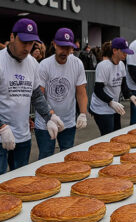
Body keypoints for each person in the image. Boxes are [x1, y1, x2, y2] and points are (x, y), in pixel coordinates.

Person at [0, 18, 63, 175]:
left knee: (20, 181)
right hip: (1, 135)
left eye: (31, 43)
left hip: (23, 137)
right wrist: (1, 126)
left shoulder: (33, 63)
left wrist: (49, 116)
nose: (27, 48)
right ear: (12, 37)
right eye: (23, 42)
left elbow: (36, 95)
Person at [34, 28, 88, 159]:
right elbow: (39, 96)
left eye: (68, 48)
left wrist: (82, 113)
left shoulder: (77, 63)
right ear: (54, 44)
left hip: (68, 122)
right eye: (62, 47)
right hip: (46, 122)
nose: (65, 51)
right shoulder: (45, 65)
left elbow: (81, 92)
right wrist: (49, 118)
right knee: (46, 158)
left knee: (67, 158)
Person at [90, 37, 136, 135]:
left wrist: (131, 96)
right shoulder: (103, 66)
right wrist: (110, 102)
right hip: (102, 108)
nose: (125, 54)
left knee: (117, 134)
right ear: (114, 51)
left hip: (115, 107)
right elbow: (98, 90)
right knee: (108, 136)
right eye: (123, 52)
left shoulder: (121, 65)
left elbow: (123, 85)